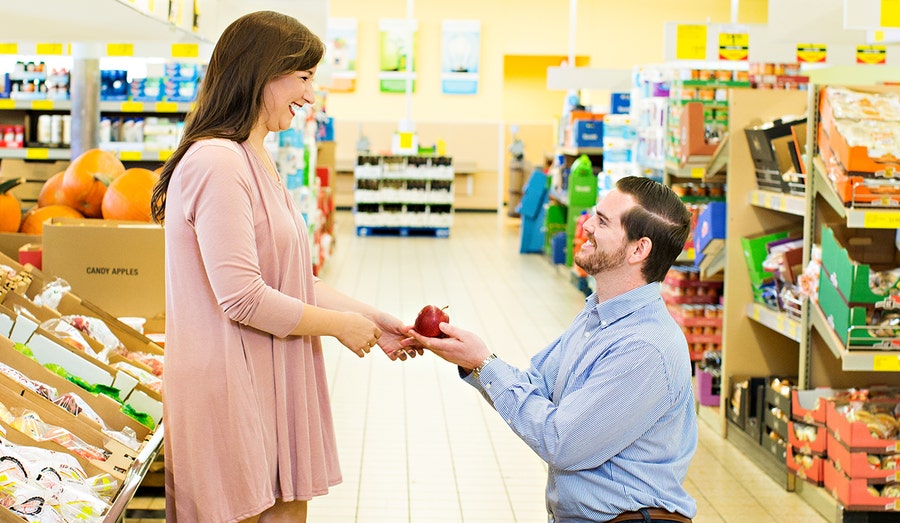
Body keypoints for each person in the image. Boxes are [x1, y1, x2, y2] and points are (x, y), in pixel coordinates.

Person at [150, 11, 419, 523]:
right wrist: (341, 328)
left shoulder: (257, 157)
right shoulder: (217, 162)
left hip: (270, 370)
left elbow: (294, 281)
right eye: (304, 78)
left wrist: (376, 319)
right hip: (228, 384)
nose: (311, 95)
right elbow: (243, 296)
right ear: (262, 73)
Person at [407, 176, 698, 523]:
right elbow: (536, 386)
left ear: (639, 250)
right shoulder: (597, 315)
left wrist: (485, 362)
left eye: (602, 221)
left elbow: (562, 442)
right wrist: (474, 362)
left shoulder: (645, 348)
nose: (586, 226)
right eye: (594, 215)